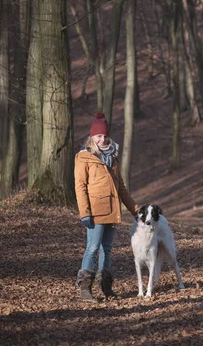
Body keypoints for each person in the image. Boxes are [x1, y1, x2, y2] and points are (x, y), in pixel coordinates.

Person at [74, 112, 139, 302]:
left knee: (107, 249)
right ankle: (85, 289)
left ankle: (106, 286)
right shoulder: (84, 157)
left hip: (112, 211)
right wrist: (85, 212)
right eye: (98, 136)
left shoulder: (114, 158)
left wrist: (136, 210)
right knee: (92, 248)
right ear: (92, 137)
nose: (102, 139)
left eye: (104, 136)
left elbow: (121, 188)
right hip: (94, 212)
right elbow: (80, 186)